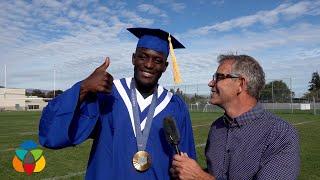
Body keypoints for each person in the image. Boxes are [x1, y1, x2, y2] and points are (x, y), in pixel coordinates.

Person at [39, 28, 196, 179]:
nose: (149, 64)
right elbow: (52, 135)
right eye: (143, 57)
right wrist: (83, 88)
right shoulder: (108, 94)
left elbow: (187, 163)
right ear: (133, 58)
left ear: (165, 66)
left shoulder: (175, 105)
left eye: (157, 60)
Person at [171, 54, 300, 180]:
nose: (211, 83)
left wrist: (200, 177)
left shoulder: (280, 134)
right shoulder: (217, 127)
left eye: (219, 77)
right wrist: (187, 173)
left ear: (240, 84)